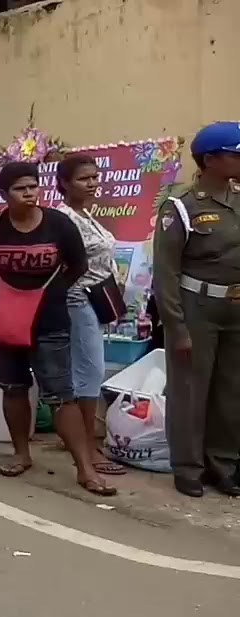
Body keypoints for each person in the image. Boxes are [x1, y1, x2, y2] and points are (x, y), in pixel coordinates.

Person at [0, 162, 108, 495]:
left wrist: (47, 293)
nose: (29, 193)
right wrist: (11, 294)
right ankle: (21, 453)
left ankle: (85, 469)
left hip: (50, 322)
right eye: (20, 188)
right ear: (4, 194)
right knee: (13, 387)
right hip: (1, 322)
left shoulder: (59, 225)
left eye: (33, 186)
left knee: (61, 396)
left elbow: (78, 266)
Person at [154, 121, 240, 498]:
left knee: (231, 392)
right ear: (210, 160)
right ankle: (188, 466)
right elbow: (166, 272)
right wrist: (176, 327)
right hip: (196, 307)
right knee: (190, 390)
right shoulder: (181, 208)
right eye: (236, 154)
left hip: (236, 308)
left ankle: (224, 464)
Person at [55, 153, 127, 479]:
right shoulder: (63, 218)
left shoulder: (86, 216)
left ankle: (79, 439)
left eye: (95, 178)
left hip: (95, 300)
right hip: (77, 299)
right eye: (85, 179)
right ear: (65, 184)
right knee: (90, 373)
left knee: (85, 371)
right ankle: (87, 447)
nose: (93, 184)